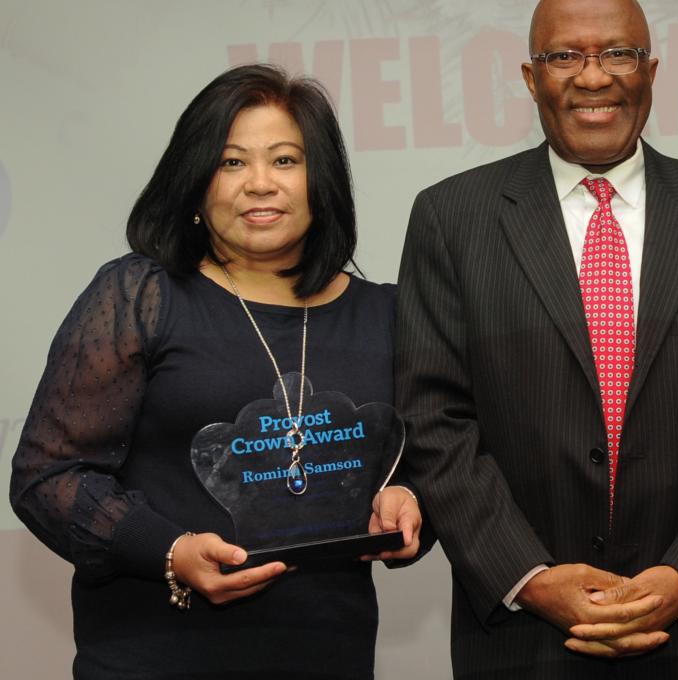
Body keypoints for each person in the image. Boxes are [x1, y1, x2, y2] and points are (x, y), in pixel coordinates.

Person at [393, 0, 678, 677]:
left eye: (619, 54)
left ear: (651, 71)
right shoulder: (451, 218)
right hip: (519, 640)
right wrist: (529, 578)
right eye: (564, 56)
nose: (594, 76)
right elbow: (433, 420)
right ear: (530, 77)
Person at [9, 64, 423, 679]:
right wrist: (169, 551)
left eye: (285, 160)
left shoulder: (388, 315)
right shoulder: (141, 295)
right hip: (151, 658)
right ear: (196, 183)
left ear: (322, 181)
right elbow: (47, 477)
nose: (260, 184)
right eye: (232, 162)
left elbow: (433, 462)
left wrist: (410, 499)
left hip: (326, 655)